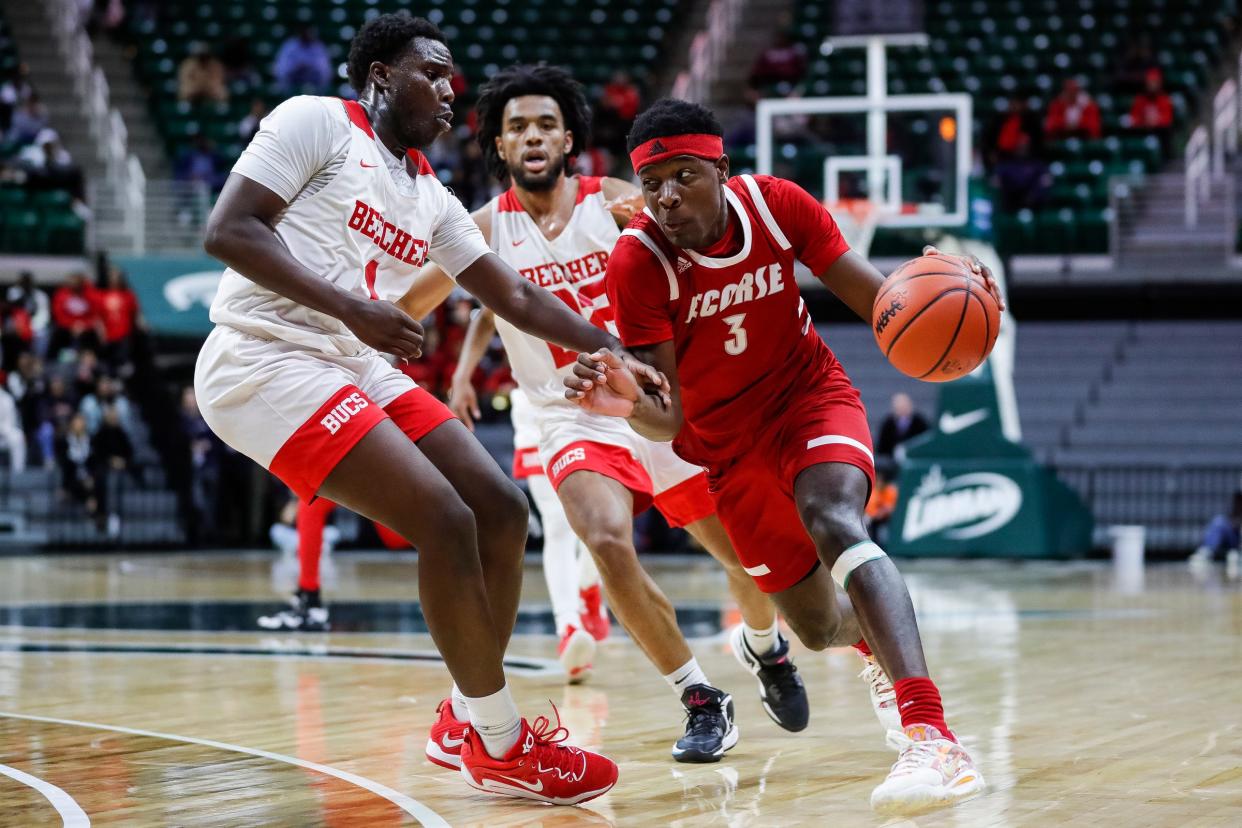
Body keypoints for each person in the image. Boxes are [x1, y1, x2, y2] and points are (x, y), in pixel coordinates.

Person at [194, 12, 640, 805]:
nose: (447, 90)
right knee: (444, 518)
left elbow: (513, 292)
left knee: (501, 509)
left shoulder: (428, 195)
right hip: (262, 356)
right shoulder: (315, 121)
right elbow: (227, 230)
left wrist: (608, 346)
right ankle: (502, 744)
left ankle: (468, 720)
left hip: (347, 360)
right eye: (430, 73)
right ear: (379, 77)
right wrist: (354, 308)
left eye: (449, 77)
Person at [564, 98, 1003, 815]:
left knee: (834, 518)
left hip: (808, 398)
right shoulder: (638, 261)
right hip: (725, 449)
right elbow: (664, 412)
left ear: (723, 170)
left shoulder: (778, 206)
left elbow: (880, 303)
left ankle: (933, 735)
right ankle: (875, 651)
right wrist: (625, 406)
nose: (668, 196)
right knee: (816, 625)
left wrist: (942, 295)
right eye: (653, 185)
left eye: (684, 176)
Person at [397, 64, 814, 760]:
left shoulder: (618, 203)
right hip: (569, 416)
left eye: (545, 125)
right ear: (498, 147)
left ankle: (766, 648)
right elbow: (408, 308)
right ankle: (700, 698)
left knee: (746, 559)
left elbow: (703, 251)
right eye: (517, 127)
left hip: (650, 399)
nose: (532, 136)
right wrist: (341, 326)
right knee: (603, 538)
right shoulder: (478, 231)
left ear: (570, 139)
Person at [50, 272, 103, 358]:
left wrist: (84, 325)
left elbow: (95, 313)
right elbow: (59, 315)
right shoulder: (61, 295)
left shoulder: (91, 294)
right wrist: (72, 325)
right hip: (66, 330)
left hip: (86, 330)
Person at [1189, 490, 1242, 570]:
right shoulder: (1229, 517)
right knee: (1219, 522)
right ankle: (1206, 551)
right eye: (1237, 501)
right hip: (1232, 542)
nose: (1238, 504)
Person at [1128, 68, 1173, 159]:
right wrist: (1144, 121)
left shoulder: (1164, 99)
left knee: (1164, 133)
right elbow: (1134, 117)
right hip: (1143, 131)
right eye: (1150, 82)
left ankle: (1165, 160)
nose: (1152, 85)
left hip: (1159, 132)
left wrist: (1156, 121)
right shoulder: (1140, 100)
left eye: (1154, 82)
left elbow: (1168, 119)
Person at [273, 25, 334, 92]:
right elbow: (281, 70)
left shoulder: (318, 46)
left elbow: (325, 72)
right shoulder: (290, 45)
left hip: (315, 85)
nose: (306, 34)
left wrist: (309, 67)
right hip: (292, 84)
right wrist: (296, 67)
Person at [7, 272, 51, 357]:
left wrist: (33, 327)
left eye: (28, 282)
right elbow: (12, 312)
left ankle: (38, 359)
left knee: (42, 334)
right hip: (18, 326)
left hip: (35, 326)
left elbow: (44, 314)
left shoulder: (40, 295)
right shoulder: (13, 293)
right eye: (23, 282)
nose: (25, 284)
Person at [875, 392, 929, 462]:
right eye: (899, 407)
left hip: (915, 460)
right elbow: (881, 448)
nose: (902, 409)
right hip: (891, 463)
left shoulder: (920, 422)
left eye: (904, 406)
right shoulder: (887, 423)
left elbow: (925, 442)